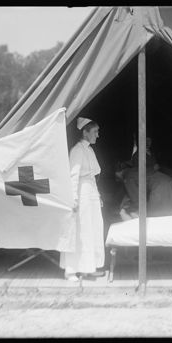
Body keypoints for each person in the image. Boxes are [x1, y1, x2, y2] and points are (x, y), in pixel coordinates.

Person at [59, 117, 105, 281]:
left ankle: (88, 267)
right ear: (85, 132)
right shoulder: (77, 150)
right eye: (94, 132)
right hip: (81, 193)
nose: (97, 135)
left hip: (91, 193)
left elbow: (92, 177)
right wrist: (74, 199)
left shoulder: (90, 150)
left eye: (97, 131)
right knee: (80, 231)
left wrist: (97, 195)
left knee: (92, 230)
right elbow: (73, 176)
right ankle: (70, 271)